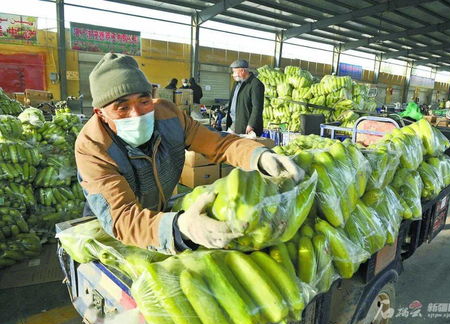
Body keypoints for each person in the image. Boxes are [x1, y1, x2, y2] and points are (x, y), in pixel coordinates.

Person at [75, 53, 303, 254]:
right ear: (101, 113)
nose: (136, 114)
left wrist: (259, 156)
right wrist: (181, 227)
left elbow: (217, 144)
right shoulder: (92, 147)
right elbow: (122, 217)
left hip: (162, 216)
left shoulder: (168, 116)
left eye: (144, 101)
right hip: (114, 230)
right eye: (122, 107)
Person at [226, 59, 264, 136]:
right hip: (234, 123)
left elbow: (257, 107)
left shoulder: (255, 84)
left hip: (246, 126)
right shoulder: (237, 84)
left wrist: (251, 124)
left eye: (234, 72)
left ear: (242, 71)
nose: (233, 75)